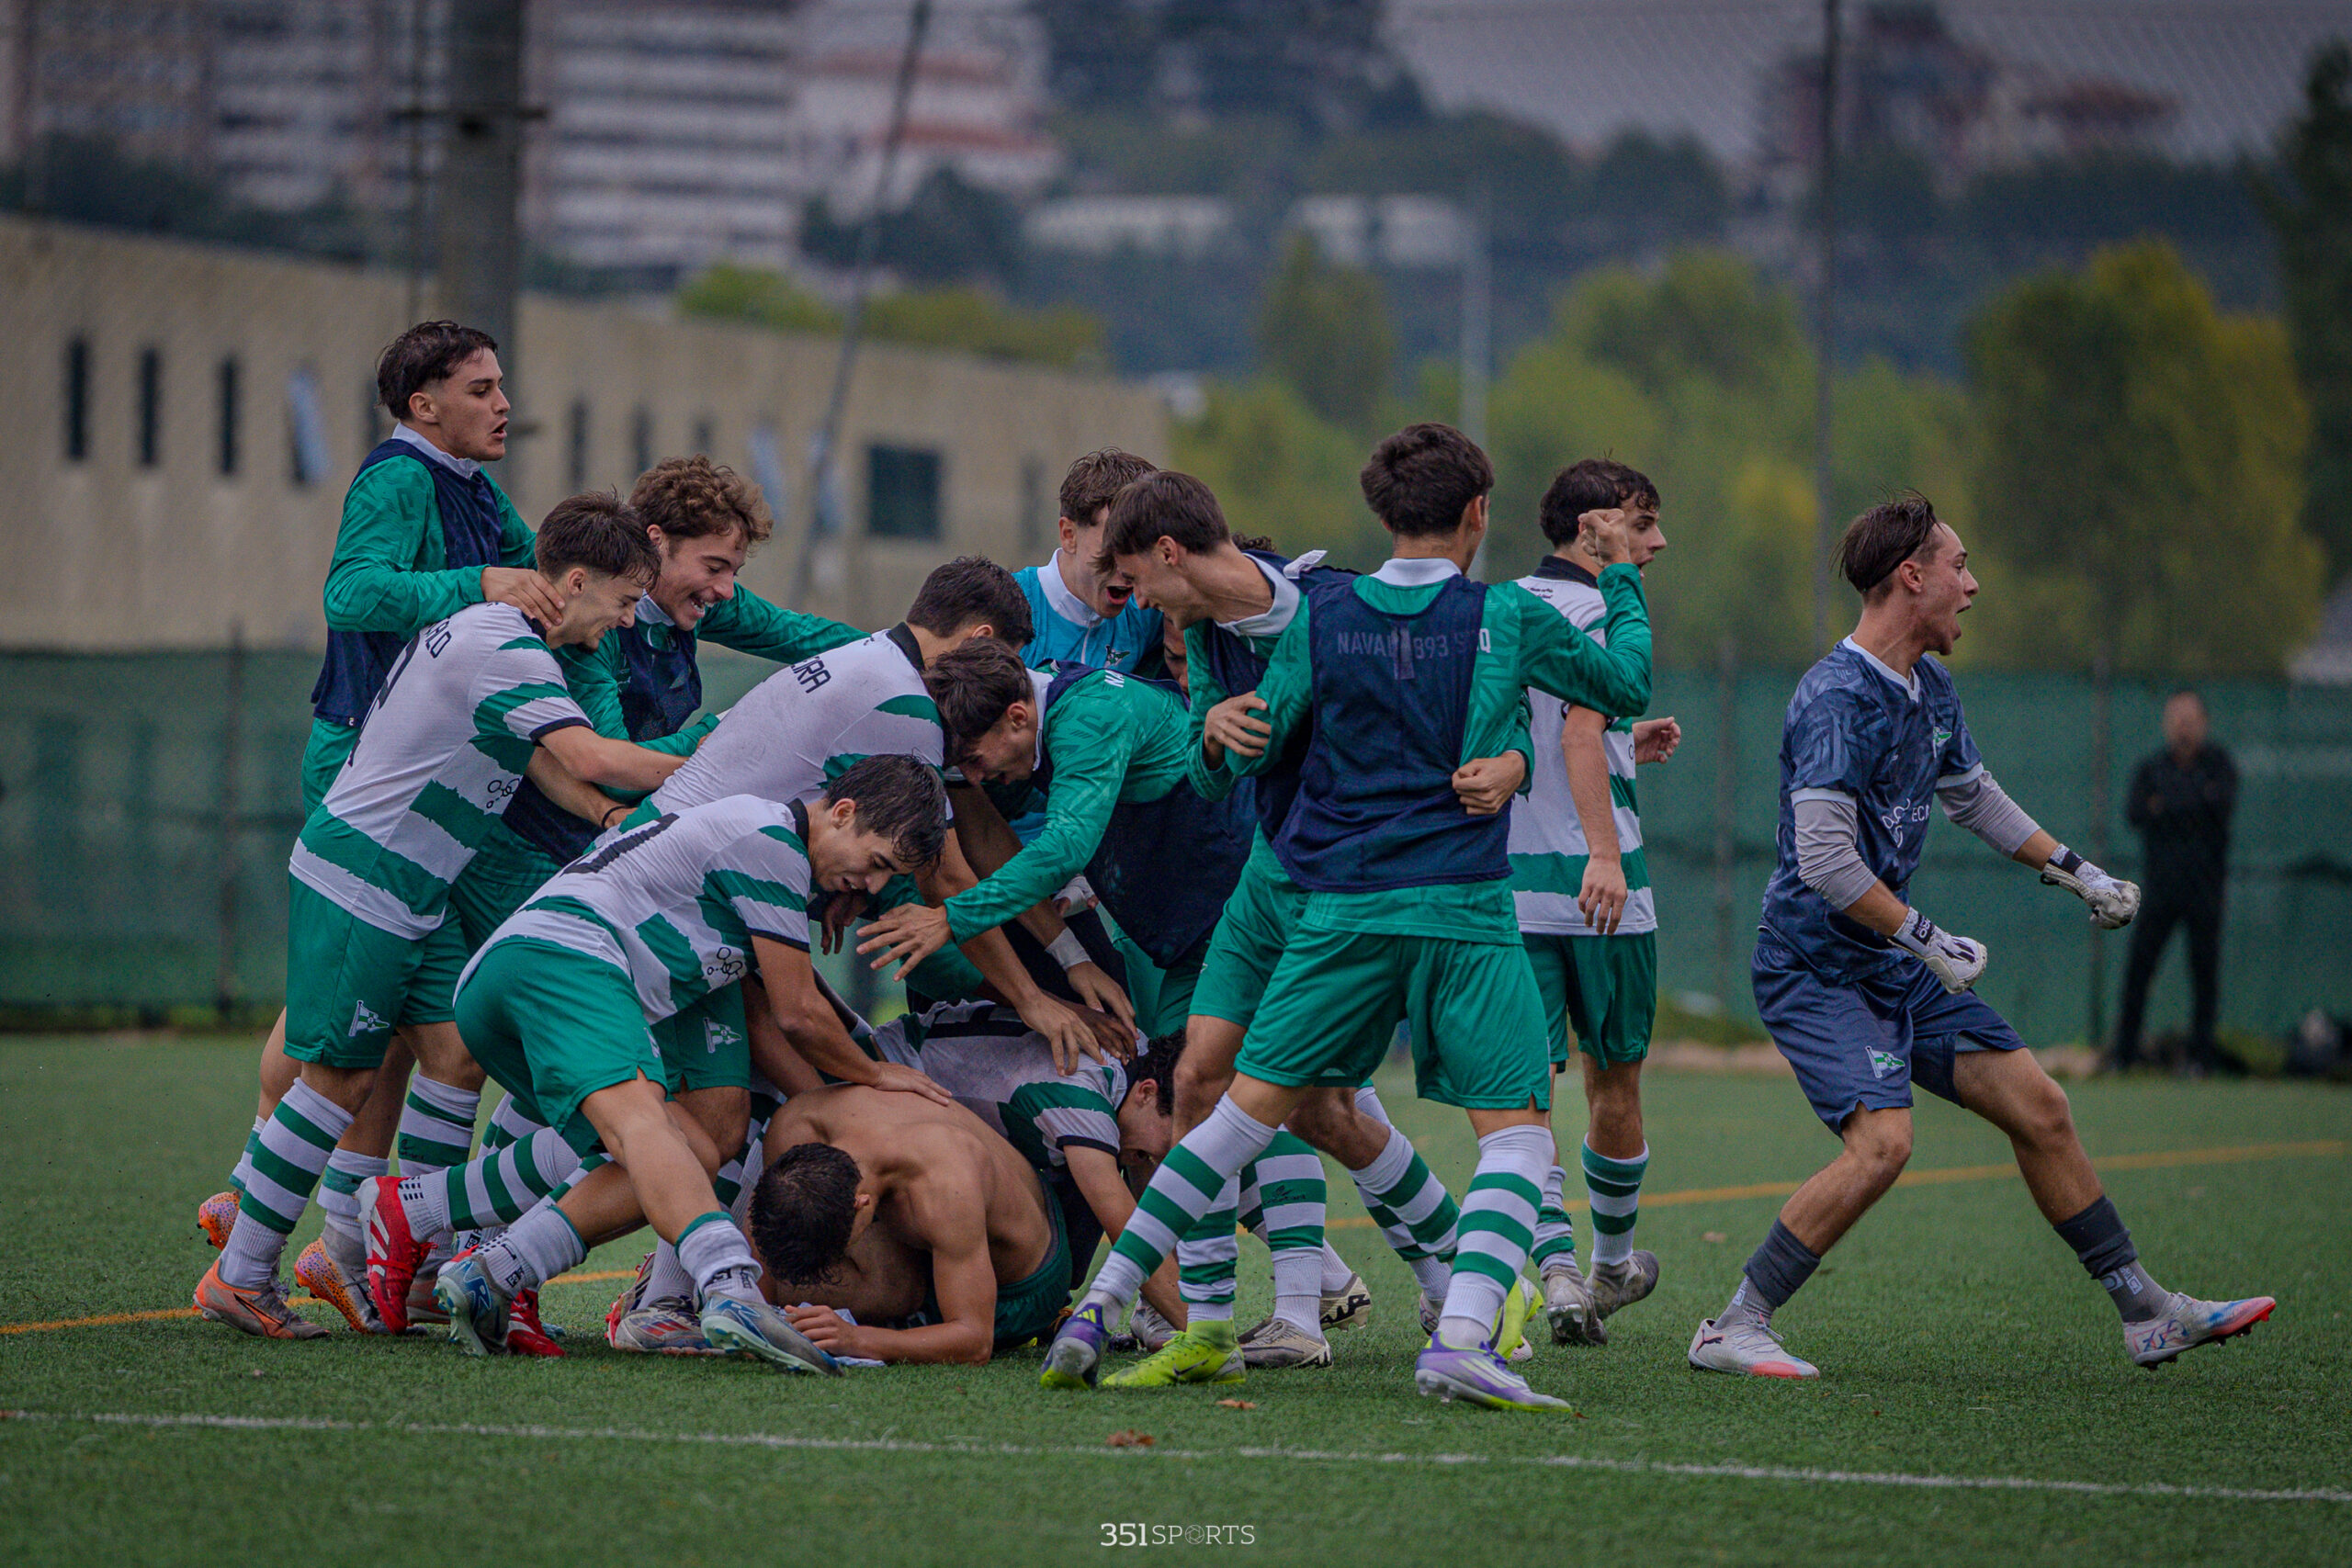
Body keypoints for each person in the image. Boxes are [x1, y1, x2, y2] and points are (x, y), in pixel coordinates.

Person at [1042, 423, 1655, 1412]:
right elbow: (1623, 686)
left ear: (1379, 513)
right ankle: (1458, 1332)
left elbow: (1258, 744)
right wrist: (1619, 577)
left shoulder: (1322, 613)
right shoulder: (1502, 615)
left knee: (1238, 1115)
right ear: (1477, 514)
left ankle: (1102, 1303)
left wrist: (1226, 743)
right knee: (1514, 1137)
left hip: (1337, 909)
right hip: (1454, 908)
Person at [1689, 494, 2273, 1380]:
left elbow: (1974, 796)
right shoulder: (1834, 696)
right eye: (1957, 565)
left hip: (1894, 962)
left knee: (2041, 1105)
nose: (1972, 584)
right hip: (1817, 968)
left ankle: (2147, 1313)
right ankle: (1733, 1323)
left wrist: (2078, 870)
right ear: (1910, 577)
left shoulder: (1931, 687)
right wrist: (1926, 935)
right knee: (1884, 1146)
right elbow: (1823, 861)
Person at [194, 496, 685, 1339]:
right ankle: (241, 1273)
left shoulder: (503, 636)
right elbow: (589, 755)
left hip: (406, 882)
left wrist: (609, 821)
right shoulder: (511, 649)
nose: (629, 619)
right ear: (575, 582)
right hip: (367, 876)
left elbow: (538, 758)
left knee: (454, 1054)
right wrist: (719, 765)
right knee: (337, 1076)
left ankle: (417, 1263)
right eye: (625, 599)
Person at [1099, 469, 1498, 1384]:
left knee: (1323, 1109)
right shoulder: (1198, 631)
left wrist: (1509, 762)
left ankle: (1461, 1272)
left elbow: (1438, 720)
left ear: (1169, 555)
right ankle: (1209, 1326)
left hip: (1347, 896)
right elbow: (1208, 769)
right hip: (1269, 882)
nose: (1137, 608)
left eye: (1137, 584)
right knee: (1199, 1079)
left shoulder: (1338, 605)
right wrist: (1212, 739)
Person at [197, 320, 559, 1318]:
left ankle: (384, 1249)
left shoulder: (478, 489)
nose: (503, 403)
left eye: (500, 385)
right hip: (367, 778)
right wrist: (479, 585)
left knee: (438, 1046)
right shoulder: (398, 477)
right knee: (348, 1045)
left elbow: (552, 573)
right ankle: (268, 1224)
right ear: (423, 403)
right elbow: (352, 593)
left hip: (422, 794)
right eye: (481, 388)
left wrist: (614, 578)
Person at [423, 756, 955, 1367]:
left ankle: (486, 1264)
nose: (876, 885)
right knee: (645, 1127)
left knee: (700, 1141)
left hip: (560, 966)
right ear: (841, 813)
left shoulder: (777, 850)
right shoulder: (770, 841)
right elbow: (796, 1011)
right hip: (560, 956)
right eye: (879, 864)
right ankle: (728, 1285)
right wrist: (875, 1073)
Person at [1507, 458, 1682, 1348]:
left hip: (1507, 884)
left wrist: (1626, 745)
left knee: (1524, 1091)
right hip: (1599, 889)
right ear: (1594, 526)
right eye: (1641, 523)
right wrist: (1604, 851)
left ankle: (1558, 1274)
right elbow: (1579, 727)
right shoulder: (1600, 606)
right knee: (1614, 1078)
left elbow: (1556, 734)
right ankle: (1610, 1266)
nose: (1654, 543)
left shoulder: (1501, 603)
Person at [747, 1083, 1071, 1365]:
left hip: (1021, 1288)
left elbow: (974, 1342)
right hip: (951, 1224)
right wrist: (752, 1318)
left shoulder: (945, 1190)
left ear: (862, 1206)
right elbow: (767, 1229)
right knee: (781, 1262)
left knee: (855, 1290)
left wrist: (857, 1339)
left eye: (840, 1250)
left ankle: (906, 1312)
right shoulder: (797, 1123)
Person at [2113, 690, 2237, 1075]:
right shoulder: (2151, 769)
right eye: (2176, 718)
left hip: (2205, 890)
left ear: (2203, 723)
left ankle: (2203, 1056)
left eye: (2190, 718)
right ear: (2167, 724)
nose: (2183, 726)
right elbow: (2135, 812)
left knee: (2204, 973)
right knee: (2139, 969)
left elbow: (2218, 808)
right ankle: (2124, 1054)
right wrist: (2189, 802)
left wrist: (2165, 805)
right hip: (2161, 889)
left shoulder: (2220, 765)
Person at [1015, 449, 1165, 675]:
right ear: (1069, 535)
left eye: (1143, 547)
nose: (1130, 567)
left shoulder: (1151, 609)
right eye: (1117, 546)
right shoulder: (1004, 609)